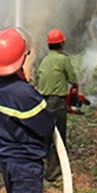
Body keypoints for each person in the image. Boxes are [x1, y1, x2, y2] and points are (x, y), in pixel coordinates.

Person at [0, 28, 56, 193]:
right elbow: (46, 126)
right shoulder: (22, 93)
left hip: (5, 157)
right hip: (25, 163)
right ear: (22, 58)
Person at [36, 28, 78, 182]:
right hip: (56, 103)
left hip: (43, 102)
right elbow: (73, 79)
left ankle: (45, 168)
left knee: (47, 136)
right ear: (61, 43)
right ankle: (54, 173)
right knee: (59, 136)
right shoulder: (62, 59)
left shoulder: (45, 60)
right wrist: (75, 87)